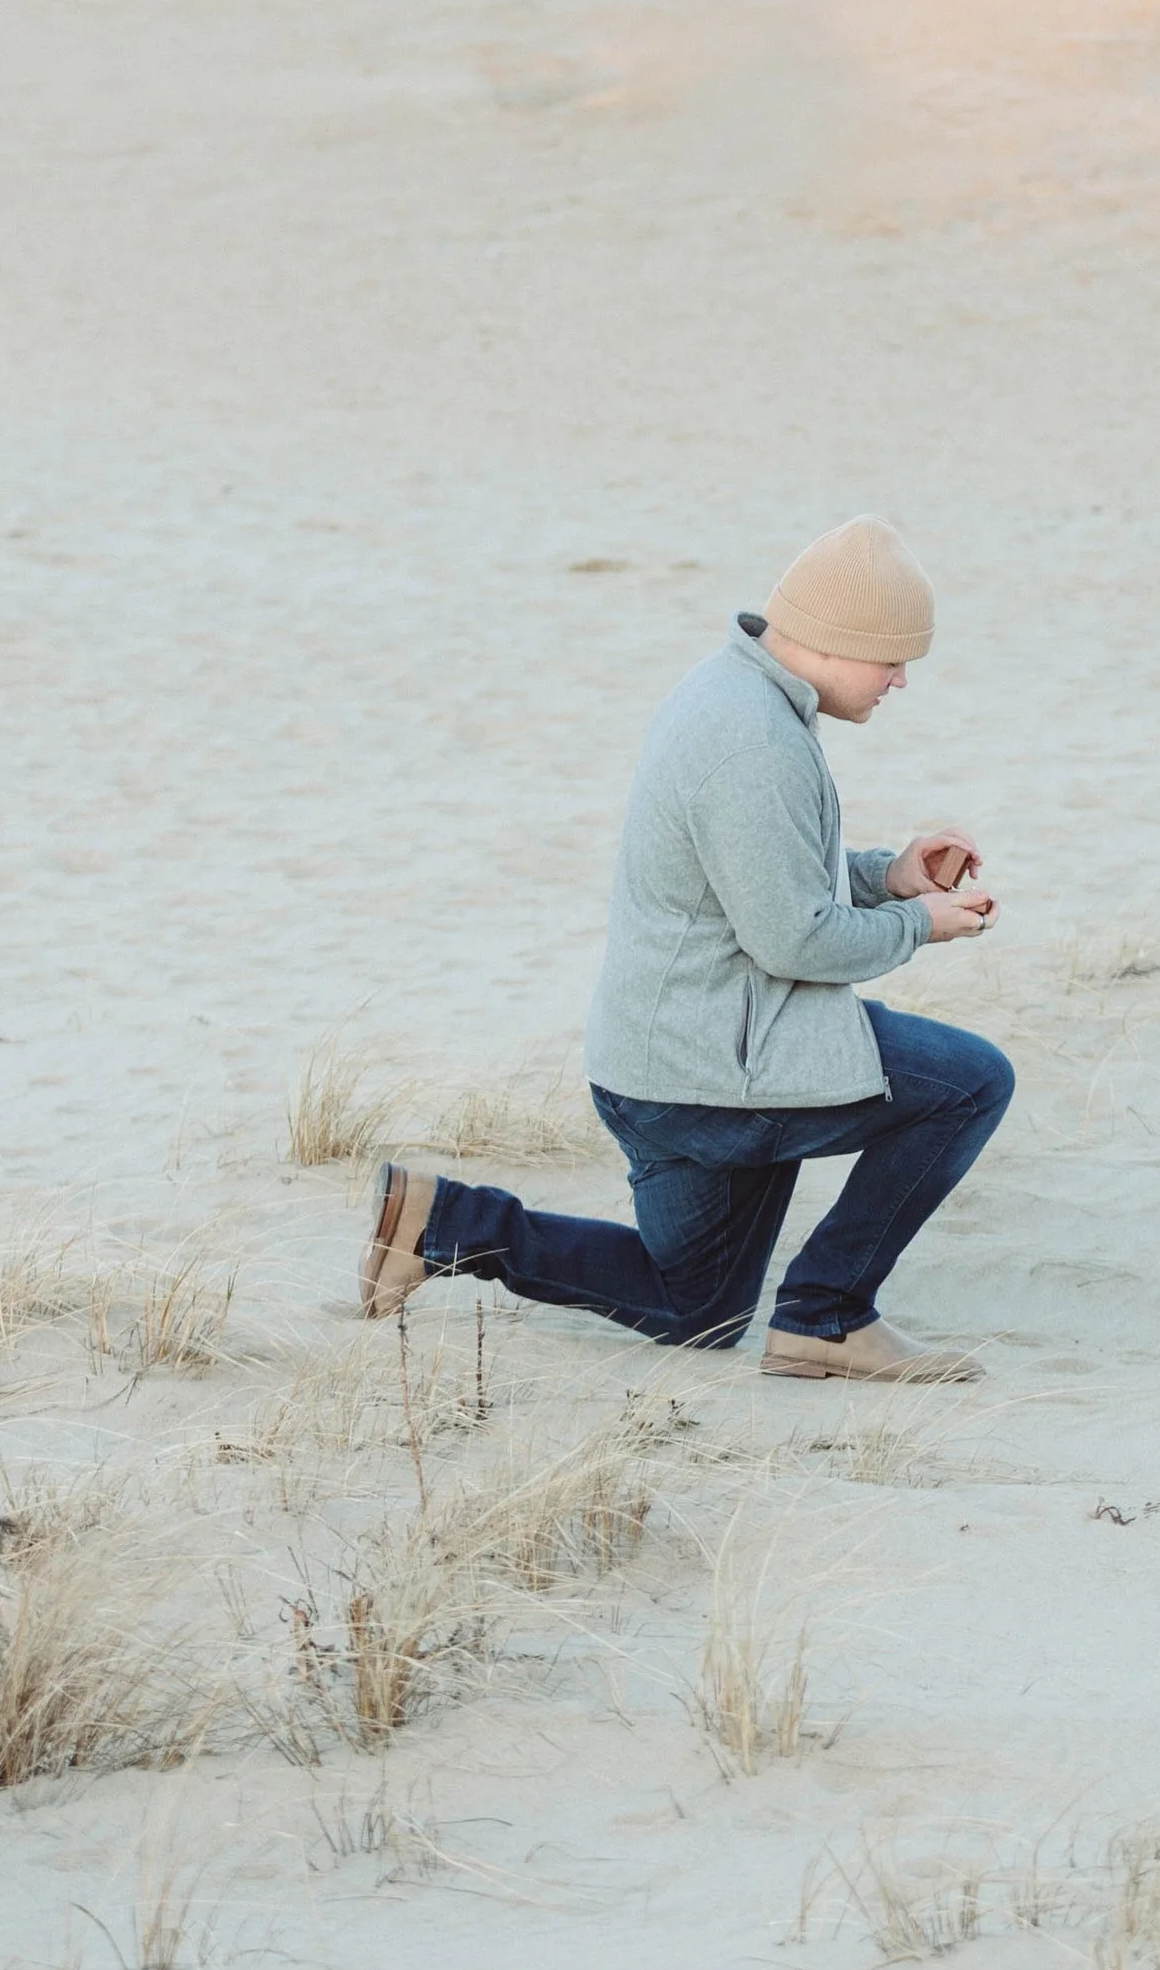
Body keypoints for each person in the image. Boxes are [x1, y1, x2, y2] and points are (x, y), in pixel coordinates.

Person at [358, 517, 1012, 1382]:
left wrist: (887, 878)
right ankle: (829, 1316)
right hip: (713, 1075)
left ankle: (443, 1224)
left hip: (656, 1065)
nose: (899, 680)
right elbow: (795, 938)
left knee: (693, 1307)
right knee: (969, 1083)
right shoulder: (755, 742)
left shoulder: (734, 693)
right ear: (835, 639)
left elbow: (759, 882)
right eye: (892, 658)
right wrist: (923, 925)